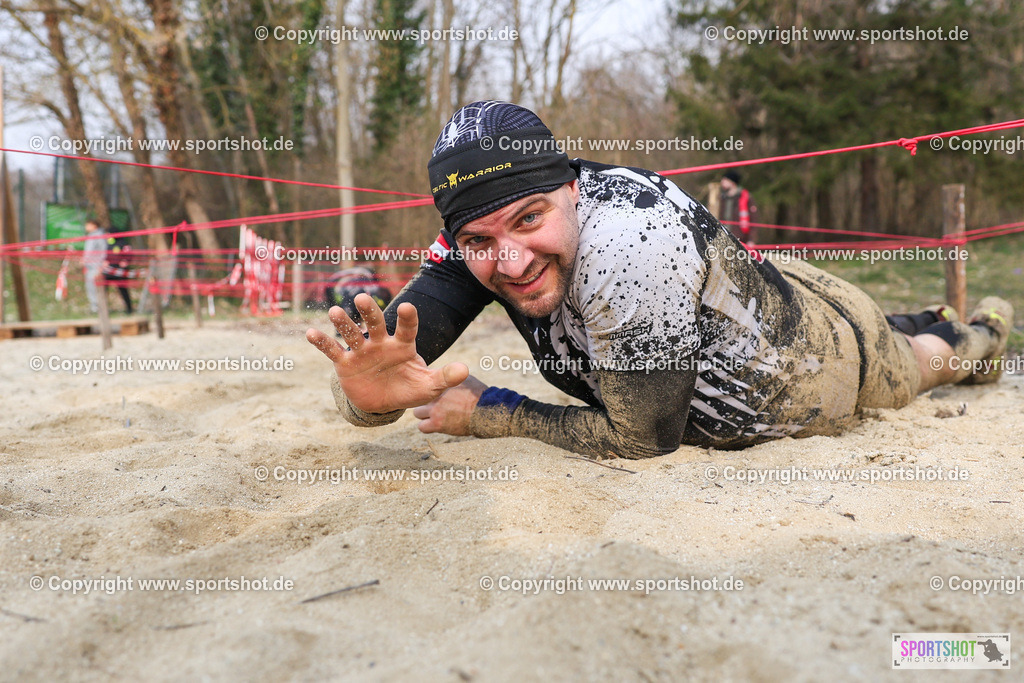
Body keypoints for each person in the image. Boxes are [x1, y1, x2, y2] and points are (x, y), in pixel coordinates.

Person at [307, 101, 1014, 459]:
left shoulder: (629, 241)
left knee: (927, 358)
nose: (511, 260)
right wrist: (366, 400)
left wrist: (489, 409)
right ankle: (926, 315)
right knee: (905, 325)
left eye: (530, 220)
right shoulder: (484, 236)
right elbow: (391, 358)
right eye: (479, 241)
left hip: (840, 355)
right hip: (763, 286)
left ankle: (980, 328)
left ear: (571, 187)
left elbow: (645, 437)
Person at [719, 170, 757, 244]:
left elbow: (754, 220)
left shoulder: (746, 197)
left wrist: (751, 240)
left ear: (732, 182)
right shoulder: (721, 198)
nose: (722, 182)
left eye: (725, 180)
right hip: (723, 238)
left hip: (741, 240)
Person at [101, 233, 135, 315]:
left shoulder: (122, 243)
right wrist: (104, 261)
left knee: (123, 290)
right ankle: (103, 310)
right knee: (103, 291)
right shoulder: (108, 244)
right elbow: (105, 255)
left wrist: (126, 261)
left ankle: (129, 309)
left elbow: (129, 254)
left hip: (120, 271)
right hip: (109, 271)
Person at [82, 219, 107, 314]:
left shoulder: (100, 235)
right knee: (90, 286)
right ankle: (94, 306)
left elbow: (103, 250)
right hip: (89, 266)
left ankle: (99, 307)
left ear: (94, 225)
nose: (86, 227)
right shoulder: (90, 236)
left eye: (88, 225)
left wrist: (101, 265)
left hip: (97, 266)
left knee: (96, 287)